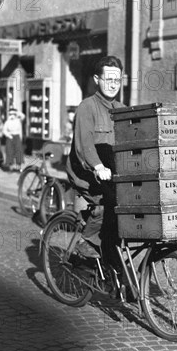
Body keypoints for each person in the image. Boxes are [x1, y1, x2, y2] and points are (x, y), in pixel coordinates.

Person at [66, 55, 125, 269]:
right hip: (86, 173)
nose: (112, 84)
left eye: (117, 80)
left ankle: (111, 254)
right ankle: (87, 242)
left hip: (111, 173)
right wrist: (98, 166)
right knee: (107, 205)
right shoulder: (86, 107)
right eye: (108, 79)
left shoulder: (121, 109)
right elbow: (85, 145)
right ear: (97, 79)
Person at [2, 108, 25, 172]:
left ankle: (18, 167)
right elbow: (4, 130)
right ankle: (11, 167)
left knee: (18, 151)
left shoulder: (18, 120)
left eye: (13, 114)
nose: (12, 115)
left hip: (17, 136)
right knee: (9, 151)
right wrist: (8, 135)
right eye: (10, 114)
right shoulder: (7, 122)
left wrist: (17, 112)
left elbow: (23, 116)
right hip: (10, 137)